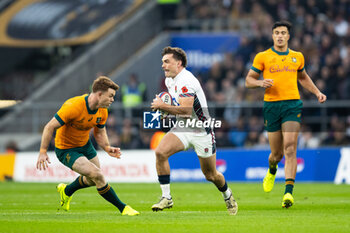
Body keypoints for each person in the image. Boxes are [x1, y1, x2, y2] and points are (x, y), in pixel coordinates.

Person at [245, 21, 327, 208]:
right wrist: (260, 83)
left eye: (283, 33)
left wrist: (317, 92)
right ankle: (272, 169)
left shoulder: (297, 57)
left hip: (292, 105)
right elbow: (248, 80)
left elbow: (303, 77)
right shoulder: (263, 56)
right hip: (272, 106)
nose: (280, 36)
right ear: (272, 36)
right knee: (277, 154)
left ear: (288, 36)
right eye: (276, 33)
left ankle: (288, 194)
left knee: (290, 148)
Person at [151, 46, 238, 215]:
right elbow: (179, 109)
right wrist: (164, 111)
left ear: (179, 63)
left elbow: (185, 110)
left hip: (201, 131)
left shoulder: (187, 80)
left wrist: (163, 107)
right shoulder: (170, 80)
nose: (163, 65)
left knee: (211, 175)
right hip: (183, 128)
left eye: (167, 62)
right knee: (160, 152)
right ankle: (166, 197)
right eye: (162, 62)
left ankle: (228, 195)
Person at [36, 76, 139, 216]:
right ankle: (124, 208)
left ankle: (66, 191)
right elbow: (49, 127)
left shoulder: (103, 110)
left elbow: (100, 131)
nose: (112, 100)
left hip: (85, 145)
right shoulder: (73, 106)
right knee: (98, 175)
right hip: (66, 149)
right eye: (111, 96)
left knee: (92, 179)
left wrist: (107, 147)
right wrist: (43, 151)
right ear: (99, 94)